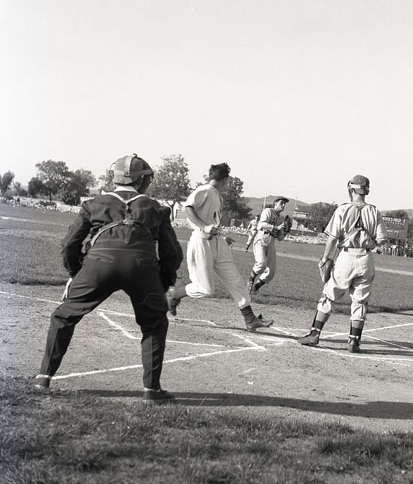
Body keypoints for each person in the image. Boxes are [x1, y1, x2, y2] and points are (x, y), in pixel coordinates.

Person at [34, 154, 183, 404]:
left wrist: (75, 274)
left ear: (114, 177)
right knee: (155, 322)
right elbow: (172, 254)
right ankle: (151, 390)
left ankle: (43, 377)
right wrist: (164, 283)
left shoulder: (94, 204)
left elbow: (69, 244)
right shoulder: (156, 208)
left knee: (63, 316)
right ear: (141, 180)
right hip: (142, 266)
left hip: (99, 263)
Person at [166, 163, 273, 332]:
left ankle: (250, 319)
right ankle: (175, 294)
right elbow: (188, 208)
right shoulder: (205, 190)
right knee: (205, 289)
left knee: (235, 280)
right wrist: (204, 226)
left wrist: (222, 237)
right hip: (201, 241)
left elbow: (212, 222)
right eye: (227, 181)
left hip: (217, 242)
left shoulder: (217, 195)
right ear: (224, 180)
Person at [297, 175, 388, 353]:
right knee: (360, 301)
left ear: (352, 189)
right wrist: (367, 241)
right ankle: (354, 341)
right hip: (366, 258)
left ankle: (315, 334)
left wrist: (325, 258)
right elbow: (381, 240)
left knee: (329, 295)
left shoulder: (343, 209)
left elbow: (332, 238)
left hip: (346, 256)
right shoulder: (374, 211)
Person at [247, 196, 290, 295]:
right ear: (275, 204)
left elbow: (280, 238)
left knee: (271, 271)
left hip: (272, 241)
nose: (283, 205)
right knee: (261, 263)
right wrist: (276, 227)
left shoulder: (281, 219)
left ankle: (255, 288)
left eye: (285, 204)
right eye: (281, 203)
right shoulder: (268, 211)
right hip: (262, 237)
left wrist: (285, 231)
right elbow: (261, 225)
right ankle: (250, 281)